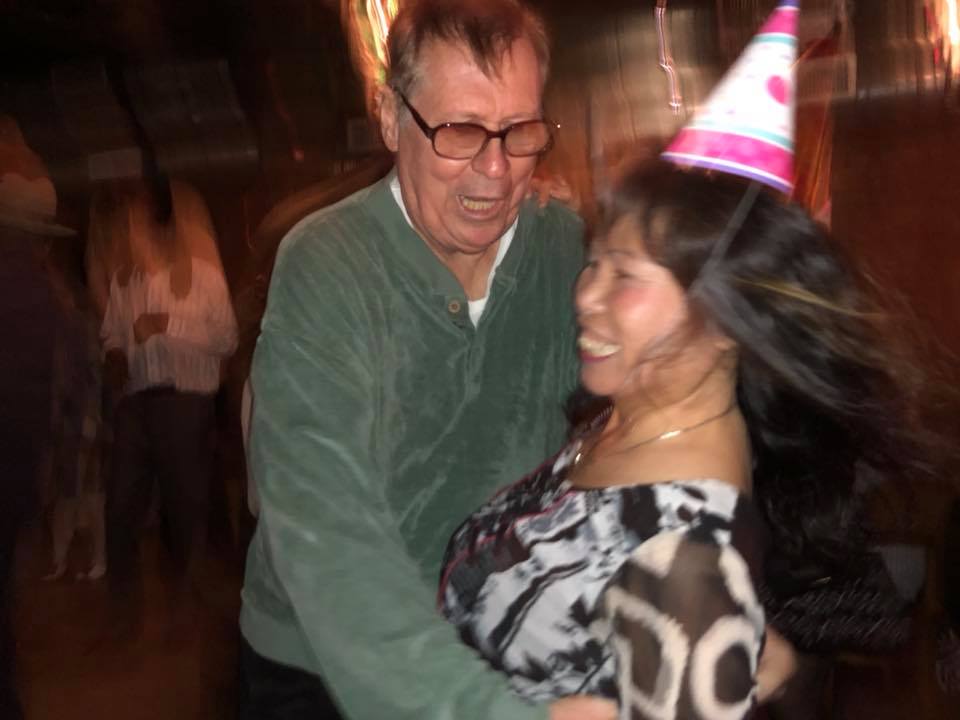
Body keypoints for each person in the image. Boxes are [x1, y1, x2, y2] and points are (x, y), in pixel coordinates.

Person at [440, 155, 934, 718]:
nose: (585, 294)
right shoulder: (627, 415)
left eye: (625, 275)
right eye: (594, 262)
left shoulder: (683, 555)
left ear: (727, 320)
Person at [238, 1, 615, 719]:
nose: (496, 169)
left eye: (519, 131)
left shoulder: (565, 251)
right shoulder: (328, 263)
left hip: (496, 644)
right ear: (390, 119)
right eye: (461, 131)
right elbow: (327, 537)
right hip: (321, 662)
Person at [102, 172, 237, 639]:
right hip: (136, 403)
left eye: (138, 218)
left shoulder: (201, 274)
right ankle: (122, 619)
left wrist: (167, 326)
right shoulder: (125, 280)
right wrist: (114, 351)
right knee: (119, 511)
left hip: (185, 403)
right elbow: (111, 333)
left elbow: (227, 339)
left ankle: (187, 616)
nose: (130, 228)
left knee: (185, 513)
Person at [42, 241, 107, 582]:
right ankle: (68, 559)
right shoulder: (67, 323)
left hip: (80, 419)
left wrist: (91, 419)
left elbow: (91, 378)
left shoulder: (78, 324)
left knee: (83, 489)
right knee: (73, 490)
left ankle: (86, 558)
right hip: (72, 420)